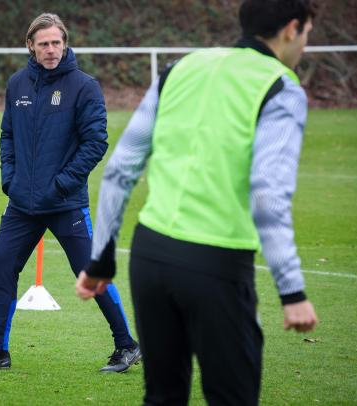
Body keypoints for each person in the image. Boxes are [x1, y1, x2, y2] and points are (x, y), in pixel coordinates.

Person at [76, 0, 319, 404]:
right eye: (308, 33)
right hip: (216, 264)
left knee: (163, 396)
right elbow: (267, 193)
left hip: (150, 257)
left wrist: (101, 261)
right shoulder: (282, 86)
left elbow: (120, 168)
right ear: (292, 29)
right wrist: (291, 291)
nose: (305, 44)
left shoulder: (181, 67)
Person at [0, 13, 140, 373]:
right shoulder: (17, 84)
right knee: (2, 266)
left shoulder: (84, 86)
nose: (51, 49)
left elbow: (95, 142)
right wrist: (9, 178)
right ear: (30, 46)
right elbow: (7, 134)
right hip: (22, 203)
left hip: (65, 202)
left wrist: (61, 184)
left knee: (88, 271)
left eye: (56, 42)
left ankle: (127, 345)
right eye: (43, 44)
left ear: (65, 43)